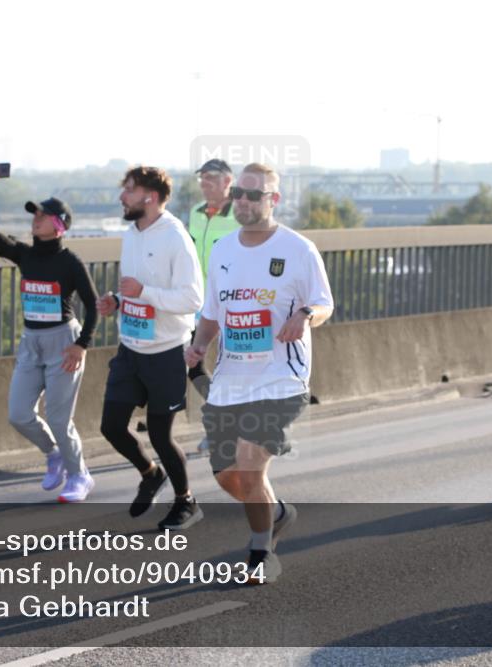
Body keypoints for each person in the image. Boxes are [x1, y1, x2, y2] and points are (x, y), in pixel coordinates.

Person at [185, 163, 334, 583]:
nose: (245, 202)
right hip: (232, 379)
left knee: (250, 465)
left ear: (274, 199)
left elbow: (324, 304)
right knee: (227, 475)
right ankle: (277, 512)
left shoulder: (298, 249)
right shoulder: (224, 250)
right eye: (240, 195)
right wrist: (199, 345)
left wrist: (305, 315)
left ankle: (261, 553)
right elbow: (213, 313)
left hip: (281, 379)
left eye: (255, 194)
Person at [0, 161, 98, 502]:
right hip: (31, 342)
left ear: (59, 227)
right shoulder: (25, 254)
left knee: (61, 420)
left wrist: (82, 345)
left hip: (63, 343)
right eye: (34, 214)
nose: (35, 219)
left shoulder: (71, 262)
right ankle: (54, 454)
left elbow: (92, 305)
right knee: (18, 414)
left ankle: (79, 476)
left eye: (42, 216)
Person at [96, 166, 205, 530]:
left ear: (151, 197)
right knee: (111, 426)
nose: (122, 197)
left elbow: (192, 298)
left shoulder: (175, 236)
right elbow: (136, 288)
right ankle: (149, 472)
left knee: (160, 434)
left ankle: (186, 501)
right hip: (131, 347)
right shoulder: (131, 233)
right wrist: (117, 300)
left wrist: (144, 294)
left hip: (167, 352)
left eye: (129, 190)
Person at [186, 158, 238, 453]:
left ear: (227, 182)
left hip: (233, 306)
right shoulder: (195, 213)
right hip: (202, 306)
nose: (205, 184)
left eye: (211, 179)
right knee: (194, 366)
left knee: (227, 368)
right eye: (202, 179)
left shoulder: (239, 216)